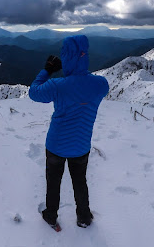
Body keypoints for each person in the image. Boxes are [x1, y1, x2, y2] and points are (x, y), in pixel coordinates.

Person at [29, 35, 109, 230]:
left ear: (67, 57)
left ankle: (50, 216)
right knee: (80, 182)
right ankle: (84, 217)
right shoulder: (100, 84)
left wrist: (48, 69)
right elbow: (87, 86)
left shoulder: (58, 86)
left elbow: (34, 92)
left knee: (53, 183)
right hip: (81, 145)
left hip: (56, 145)